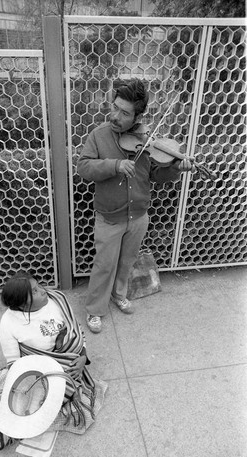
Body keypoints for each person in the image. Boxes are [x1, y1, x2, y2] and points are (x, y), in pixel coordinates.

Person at [77, 79, 194, 334]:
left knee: (127, 261)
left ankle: (118, 294)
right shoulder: (98, 135)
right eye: (115, 107)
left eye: (125, 113)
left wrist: (175, 169)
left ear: (138, 116)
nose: (116, 115)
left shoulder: (146, 139)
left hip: (139, 216)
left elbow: (156, 175)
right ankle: (95, 309)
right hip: (109, 217)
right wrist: (114, 165)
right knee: (104, 264)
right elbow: (83, 167)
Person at [0, 271, 107, 449]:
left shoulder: (58, 300)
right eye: (35, 292)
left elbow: (76, 332)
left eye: (39, 286)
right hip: (34, 366)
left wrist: (83, 356)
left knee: (66, 396)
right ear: (22, 305)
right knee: (25, 403)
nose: (44, 291)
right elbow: (16, 364)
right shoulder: (8, 322)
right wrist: (40, 380)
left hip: (67, 360)